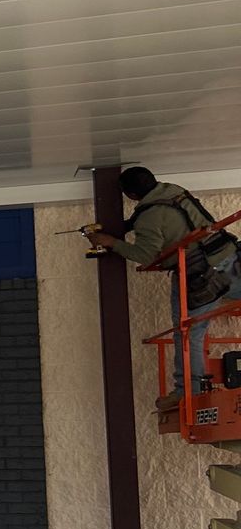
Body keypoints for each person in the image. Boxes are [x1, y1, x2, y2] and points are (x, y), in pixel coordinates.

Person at [87, 167, 241, 398]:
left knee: (189, 332)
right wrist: (127, 226)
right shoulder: (173, 190)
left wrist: (111, 241)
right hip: (229, 257)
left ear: (130, 195)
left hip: (201, 276)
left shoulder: (149, 218)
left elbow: (145, 255)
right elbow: (167, 219)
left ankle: (190, 391)